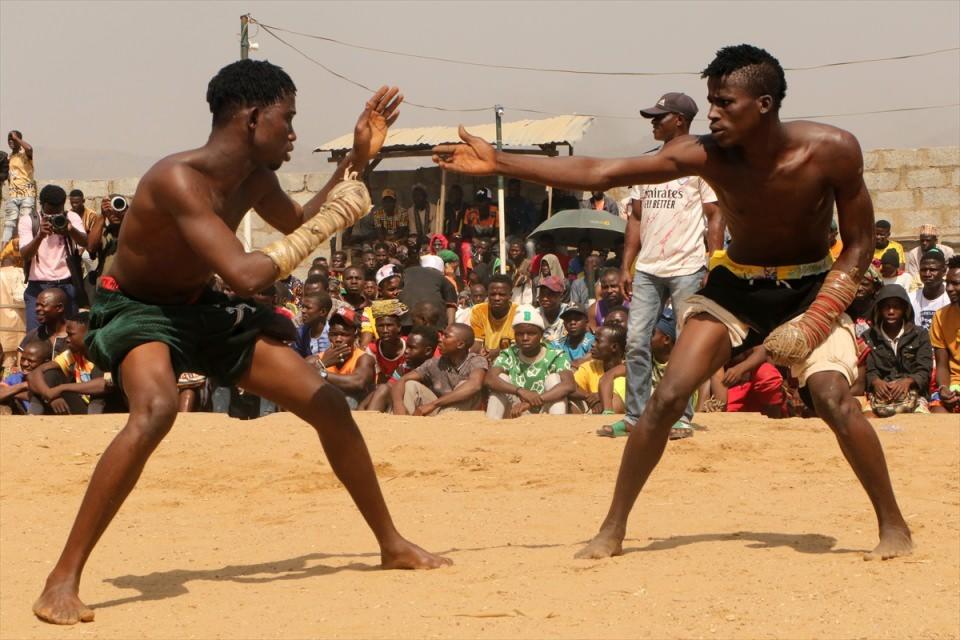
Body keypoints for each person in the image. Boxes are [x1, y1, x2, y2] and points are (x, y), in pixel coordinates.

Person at [433, 43, 912, 560]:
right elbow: (603, 173)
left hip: (811, 288)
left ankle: (894, 527)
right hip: (736, 287)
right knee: (665, 399)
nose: (712, 114)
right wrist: (501, 161)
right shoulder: (702, 154)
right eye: (711, 101)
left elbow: (860, 243)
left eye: (725, 102)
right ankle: (613, 528)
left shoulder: (833, 150)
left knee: (834, 401)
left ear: (765, 104)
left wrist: (821, 314)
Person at [33, 62, 450, 627]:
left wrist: (359, 162)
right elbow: (250, 272)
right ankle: (62, 579)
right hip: (135, 310)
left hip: (200, 308)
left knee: (326, 402)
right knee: (155, 409)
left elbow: (300, 216)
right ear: (254, 117)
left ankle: (390, 542)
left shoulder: (254, 177)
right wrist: (331, 219)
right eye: (289, 120)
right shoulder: (175, 180)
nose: (295, 134)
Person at [610, 91, 723, 439]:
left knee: (686, 346)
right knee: (636, 341)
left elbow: (715, 215)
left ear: (680, 120)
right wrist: (627, 265)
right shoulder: (648, 165)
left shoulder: (701, 166)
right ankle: (636, 416)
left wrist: (714, 264)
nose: (654, 123)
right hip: (648, 269)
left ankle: (681, 417)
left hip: (688, 268)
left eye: (660, 117)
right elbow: (635, 219)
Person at [484, 305, 575, 419]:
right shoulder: (509, 353)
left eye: (531, 333)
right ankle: (493, 427)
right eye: (519, 334)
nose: (525, 338)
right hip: (515, 410)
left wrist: (533, 401)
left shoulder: (555, 355)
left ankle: (555, 428)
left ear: (541, 335)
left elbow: (569, 385)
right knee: (501, 378)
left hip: (545, 410)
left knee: (554, 379)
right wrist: (520, 391)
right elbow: (489, 379)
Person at [19, 185, 88, 330]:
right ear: (42, 204)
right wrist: (40, 236)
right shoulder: (29, 221)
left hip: (66, 286)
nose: (54, 217)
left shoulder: (71, 217)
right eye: (50, 213)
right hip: (38, 288)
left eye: (58, 211)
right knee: (35, 335)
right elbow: (25, 255)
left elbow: (85, 242)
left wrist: (70, 230)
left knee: (68, 335)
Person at [864, 285, 932, 417]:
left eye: (896, 307)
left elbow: (925, 370)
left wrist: (908, 381)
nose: (891, 311)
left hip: (914, 394)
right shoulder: (869, 336)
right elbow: (868, 370)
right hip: (880, 396)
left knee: (921, 420)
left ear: (905, 309)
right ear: (879, 309)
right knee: (868, 419)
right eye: (886, 307)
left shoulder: (920, 334)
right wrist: (876, 382)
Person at [391, 323, 487, 415]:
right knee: (410, 384)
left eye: (446, 336)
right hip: (440, 410)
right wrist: (398, 403)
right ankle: (404, 422)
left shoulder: (476, 361)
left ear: (460, 344)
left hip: (464, 414)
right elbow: (402, 380)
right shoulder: (434, 363)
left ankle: (441, 423)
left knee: (465, 386)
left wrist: (434, 404)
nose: (440, 339)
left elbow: (475, 385)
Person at [363, 325, 438, 413]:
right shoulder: (405, 367)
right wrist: (363, 406)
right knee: (384, 388)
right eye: (407, 346)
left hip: (432, 410)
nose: (406, 351)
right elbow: (388, 386)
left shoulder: (437, 367)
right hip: (407, 407)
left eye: (412, 348)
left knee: (410, 384)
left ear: (428, 351)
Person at [711, 345, 785, 416]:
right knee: (725, 412)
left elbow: (762, 351)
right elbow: (716, 373)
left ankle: (774, 420)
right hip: (733, 391)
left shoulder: (751, 334)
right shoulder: (717, 341)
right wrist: (720, 407)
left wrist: (740, 369)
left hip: (756, 389)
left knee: (767, 375)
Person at [570, 324, 627, 414]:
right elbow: (570, 387)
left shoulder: (629, 370)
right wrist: (590, 397)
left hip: (621, 414)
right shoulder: (589, 366)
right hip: (592, 408)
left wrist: (600, 396)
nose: (592, 345)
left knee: (613, 399)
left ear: (614, 347)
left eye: (598, 341)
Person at [929, 256, 960, 414]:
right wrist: (943, 388)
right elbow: (942, 364)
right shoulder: (940, 316)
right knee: (938, 412)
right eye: (947, 283)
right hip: (954, 385)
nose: (949, 288)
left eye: (955, 283)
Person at [85, 195, 126, 303]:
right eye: (110, 210)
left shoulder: (134, 229)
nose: (114, 213)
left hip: (129, 289)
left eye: (118, 208)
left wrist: (130, 212)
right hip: (106, 290)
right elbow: (91, 247)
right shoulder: (103, 233)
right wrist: (102, 215)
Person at [399, 252, 457, 328]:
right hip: (435, 324)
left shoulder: (405, 273)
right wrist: (450, 328)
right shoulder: (443, 279)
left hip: (405, 323)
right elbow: (451, 305)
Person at [469, 273, 517, 359]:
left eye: (501, 294)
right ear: (487, 294)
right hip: (484, 358)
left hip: (511, 359)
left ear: (510, 295)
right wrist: (478, 353)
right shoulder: (478, 310)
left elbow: (516, 346)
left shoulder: (518, 312)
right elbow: (477, 341)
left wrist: (495, 352)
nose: (497, 298)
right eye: (493, 294)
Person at [0, 339, 50, 414]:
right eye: (23, 359)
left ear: (45, 362)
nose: (25, 364)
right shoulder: (15, 378)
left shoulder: (50, 379)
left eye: (31, 361)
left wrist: (11, 393)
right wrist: (26, 385)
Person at [364, 300, 408, 384]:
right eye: (381, 326)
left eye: (389, 325)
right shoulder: (372, 350)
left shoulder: (410, 345)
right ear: (376, 328)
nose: (385, 330)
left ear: (399, 327)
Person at [4, 130, 36, 246]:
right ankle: (2, 254)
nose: (11, 141)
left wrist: (17, 138)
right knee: (9, 224)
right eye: (9, 139)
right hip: (13, 195)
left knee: (25, 223)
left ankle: (25, 252)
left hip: (27, 195)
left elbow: (30, 149)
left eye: (13, 139)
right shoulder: (8, 157)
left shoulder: (26, 155)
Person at [20, 287, 70, 358]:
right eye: (37, 305)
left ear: (59, 308)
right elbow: (20, 357)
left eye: (43, 305)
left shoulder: (74, 334)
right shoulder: (34, 334)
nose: (37, 309)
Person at [910, 250, 951, 330]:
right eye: (923, 270)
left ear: (944, 271)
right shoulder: (911, 298)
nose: (927, 274)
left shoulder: (951, 298)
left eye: (932, 270)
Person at [293, 291, 332, 358]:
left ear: (322, 312)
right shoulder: (301, 333)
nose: (303, 311)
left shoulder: (333, 333)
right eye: (303, 307)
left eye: (308, 308)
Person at [537, 275, 567, 341]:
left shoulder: (569, 313)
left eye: (550, 294)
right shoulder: (535, 314)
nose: (544, 298)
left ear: (561, 296)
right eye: (542, 294)